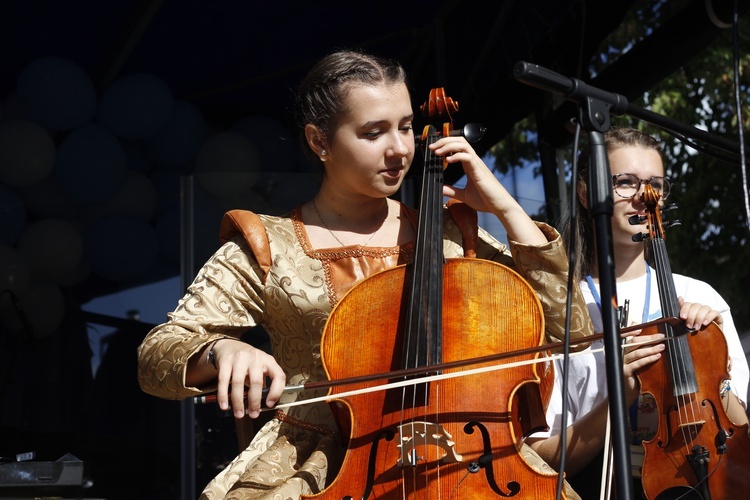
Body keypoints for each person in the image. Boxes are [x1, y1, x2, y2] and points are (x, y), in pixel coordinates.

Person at [137, 48, 594, 499]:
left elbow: (573, 328)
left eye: (407, 127)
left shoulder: (452, 235)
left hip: (459, 457)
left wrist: (504, 206)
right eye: (374, 132)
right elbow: (156, 356)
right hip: (319, 465)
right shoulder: (268, 245)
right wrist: (221, 350)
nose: (399, 148)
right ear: (320, 142)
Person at [527, 126, 750, 497]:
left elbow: (740, 429)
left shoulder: (697, 294)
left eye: (655, 185)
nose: (644, 198)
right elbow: (543, 459)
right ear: (586, 194)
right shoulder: (558, 310)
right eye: (626, 183)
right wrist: (619, 395)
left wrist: (711, 358)